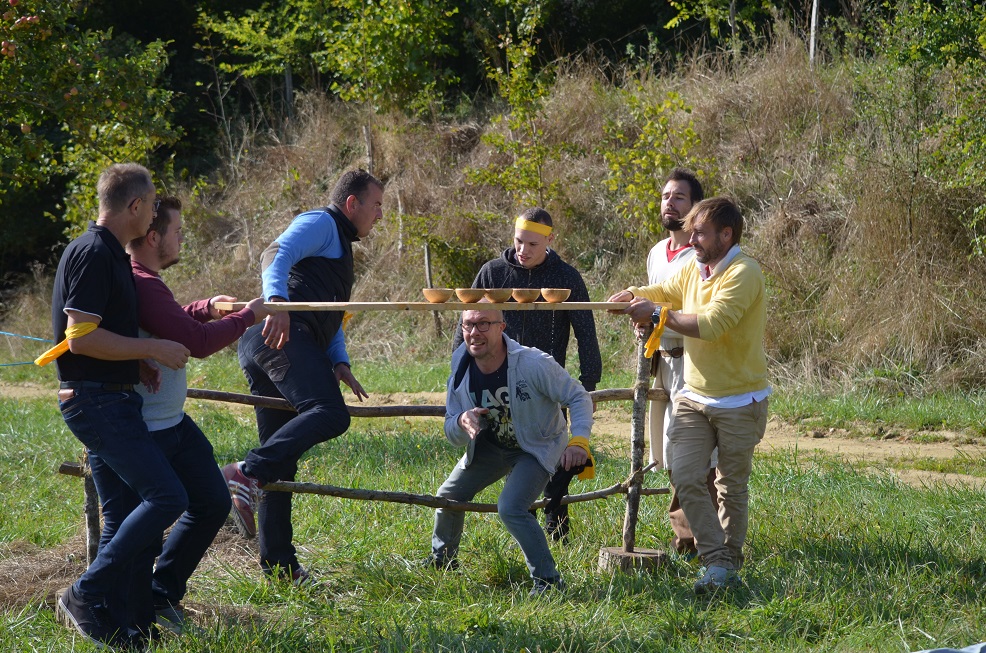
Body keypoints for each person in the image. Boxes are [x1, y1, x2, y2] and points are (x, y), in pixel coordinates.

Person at [110, 195, 268, 634]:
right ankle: (132, 615)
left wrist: (203, 307)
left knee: (212, 501)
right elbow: (196, 343)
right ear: (154, 236)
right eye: (177, 231)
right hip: (149, 428)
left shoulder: (147, 282)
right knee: (149, 521)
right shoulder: (141, 281)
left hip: (172, 423)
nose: (182, 238)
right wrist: (249, 317)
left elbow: (170, 322)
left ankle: (161, 594)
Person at [48, 163, 190, 649]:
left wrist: (134, 365)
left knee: (122, 513)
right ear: (133, 206)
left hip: (112, 396)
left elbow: (106, 336)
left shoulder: (108, 253)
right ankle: (85, 594)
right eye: (151, 205)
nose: (153, 215)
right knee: (169, 497)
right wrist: (151, 349)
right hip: (95, 402)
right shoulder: (92, 253)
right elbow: (81, 338)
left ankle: (123, 621)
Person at [223, 169, 383, 583]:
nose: (380, 215)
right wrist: (276, 301)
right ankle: (243, 472)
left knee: (283, 462)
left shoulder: (339, 245)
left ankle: (279, 567)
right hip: (277, 336)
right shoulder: (321, 222)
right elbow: (274, 253)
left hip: (278, 341)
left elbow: (329, 316)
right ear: (352, 204)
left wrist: (339, 362)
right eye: (377, 205)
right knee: (330, 413)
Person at [608, 196, 769, 594]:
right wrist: (633, 294)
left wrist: (656, 315)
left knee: (731, 486)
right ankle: (717, 560)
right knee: (683, 474)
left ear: (726, 234)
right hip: (693, 396)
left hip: (740, 400)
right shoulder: (693, 268)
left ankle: (725, 565)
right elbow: (664, 290)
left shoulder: (744, 272)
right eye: (690, 231)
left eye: (699, 233)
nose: (691, 239)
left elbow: (713, 324)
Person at [452, 207, 601, 542]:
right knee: (507, 452)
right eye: (519, 241)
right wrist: (459, 374)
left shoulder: (566, 277)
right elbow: (465, 325)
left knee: (556, 461)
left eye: (533, 244)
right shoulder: (492, 273)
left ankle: (556, 524)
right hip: (495, 383)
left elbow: (586, 332)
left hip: (547, 385)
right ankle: (523, 522)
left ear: (549, 240)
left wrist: (589, 382)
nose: (524, 250)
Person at [427, 304, 593, 596]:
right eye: (467, 325)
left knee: (511, 507)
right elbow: (451, 431)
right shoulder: (461, 365)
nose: (474, 333)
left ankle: (548, 581)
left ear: (501, 327)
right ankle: (442, 561)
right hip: (490, 447)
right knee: (447, 497)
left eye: (483, 324)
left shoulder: (533, 363)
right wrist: (461, 422)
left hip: (536, 446)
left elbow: (578, 397)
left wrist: (578, 440)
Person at [643, 168, 718, 560]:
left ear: (694, 208)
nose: (669, 203)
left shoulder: (702, 255)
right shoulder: (657, 252)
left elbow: (697, 313)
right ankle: (692, 537)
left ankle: (693, 539)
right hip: (664, 360)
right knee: (668, 451)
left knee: (693, 451)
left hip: (694, 361)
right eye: (665, 196)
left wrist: (657, 315)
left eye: (679, 198)